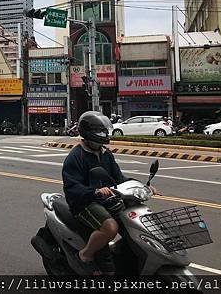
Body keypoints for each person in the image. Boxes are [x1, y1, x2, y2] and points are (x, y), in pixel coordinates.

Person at [62, 111, 157, 275]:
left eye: (104, 131)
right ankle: (85, 255)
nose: (104, 134)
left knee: (134, 223)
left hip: (108, 200)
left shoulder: (105, 153)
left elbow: (118, 177)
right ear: (87, 132)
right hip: (85, 203)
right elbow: (72, 187)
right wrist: (95, 191)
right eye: (100, 131)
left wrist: (142, 186)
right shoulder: (76, 156)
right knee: (110, 227)